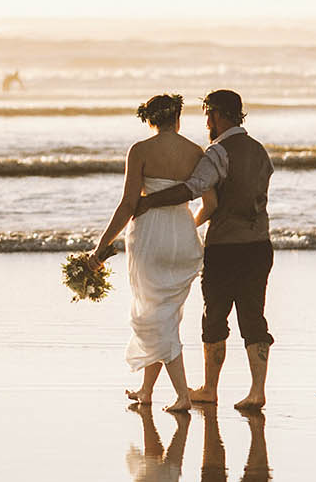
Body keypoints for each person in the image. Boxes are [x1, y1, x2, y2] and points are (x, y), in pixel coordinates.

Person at [133, 90, 274, 410]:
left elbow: (193, 189)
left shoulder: (218, 153)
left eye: (209, 114)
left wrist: (148, 201)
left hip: (225, 247)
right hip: (260, 244)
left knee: (215, 318)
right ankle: (257, 391)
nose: (207, 121)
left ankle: (210, 388)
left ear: (220, 115)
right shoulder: (259, 151)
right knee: (253, 317)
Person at [86, 94, 216, 411]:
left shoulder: (140, 150)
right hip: (183, 235)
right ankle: (146, 390)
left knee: (157, 317)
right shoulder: (196, 152)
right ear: (178, 119)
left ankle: (182, 396)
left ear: (150, 120)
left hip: (150, 236)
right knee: (163, 314)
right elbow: (211, 205)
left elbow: (129, 204)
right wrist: (186, 229)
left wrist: (100, 246)